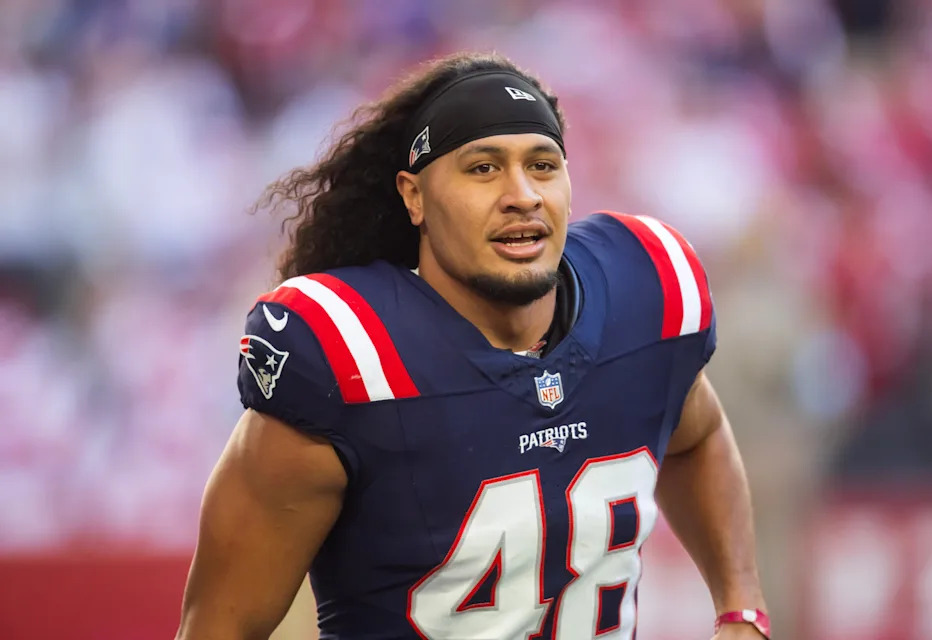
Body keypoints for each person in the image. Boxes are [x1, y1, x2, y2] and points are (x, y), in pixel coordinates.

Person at [177, 52, 770, 640]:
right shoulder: (350, 355)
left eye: (542, 165)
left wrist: (740, 609)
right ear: (414, 197)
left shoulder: (643, 296)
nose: (522, 194)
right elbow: (221, 626)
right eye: (483, 168)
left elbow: (699, 437)